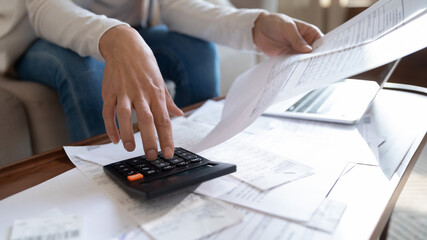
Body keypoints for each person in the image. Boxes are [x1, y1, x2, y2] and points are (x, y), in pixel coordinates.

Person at [0, 0, 322, 160]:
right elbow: (44, 9)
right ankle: (113, 175)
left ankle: (197, 159)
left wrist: (255, 23)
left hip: (127, 29)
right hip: (36, 36)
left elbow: (174, 4)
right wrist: (112, 37)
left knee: (195, 51)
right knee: (83, 68)